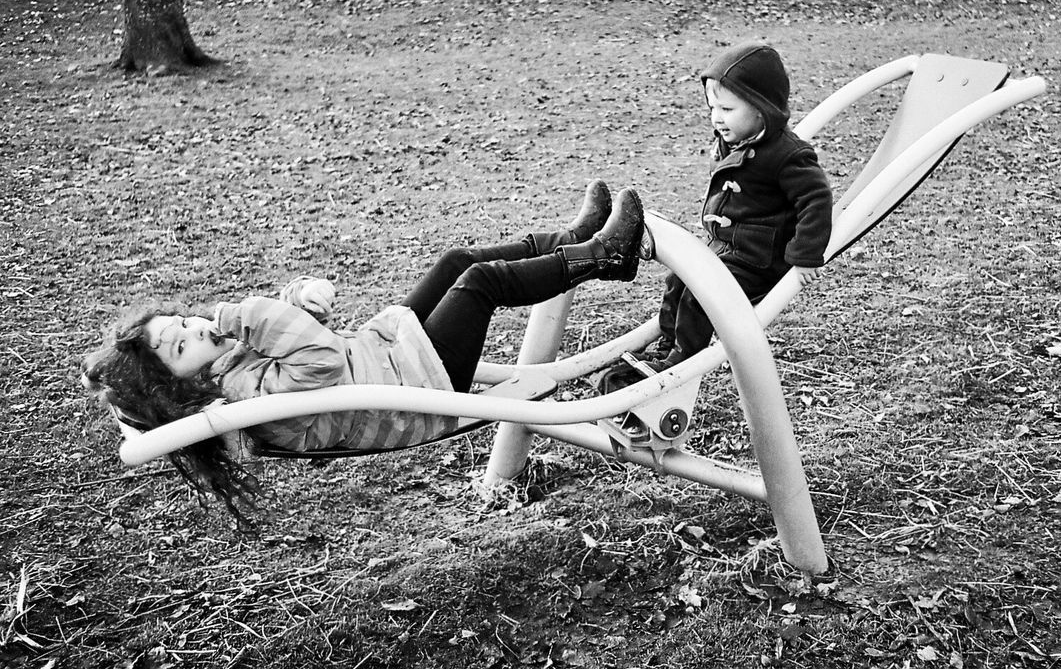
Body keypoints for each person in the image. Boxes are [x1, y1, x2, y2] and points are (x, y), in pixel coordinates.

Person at [81, 183, 647, 528]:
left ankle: (575, 242)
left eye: (180, 323)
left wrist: (294, 300)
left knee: (453, 262)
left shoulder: (228, 371)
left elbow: (295, 339)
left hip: (395, 357)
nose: (194, 328)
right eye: (180, 346)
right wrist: (242, 314)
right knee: (478, 284)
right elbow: (319, 363)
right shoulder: (244, 404)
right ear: (181, 389)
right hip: (420, 390)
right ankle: (602, 257)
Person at [603, 41, 832, 391]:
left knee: (702, 295)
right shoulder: (733, 138)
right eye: (712, 107)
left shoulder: (788, 155)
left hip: (759, 261)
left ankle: (683, 359)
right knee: (677, 279)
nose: (716, 117)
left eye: (727, 108)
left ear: (762, 109)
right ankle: (669, 347)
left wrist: (804, 258)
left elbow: (816, 200)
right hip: (726, 249)